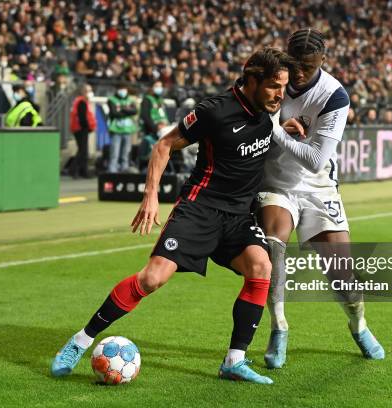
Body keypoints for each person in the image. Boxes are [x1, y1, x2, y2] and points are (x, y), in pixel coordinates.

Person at [51, 48, 298, 385]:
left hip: (239, 215)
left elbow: (259, 134)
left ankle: (234, 360)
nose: (280, 94)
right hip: (200, 209)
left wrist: (283, 127)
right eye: (273, 86)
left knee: (261, 268)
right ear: (251, 80)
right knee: (152, 279)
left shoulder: (268, 110)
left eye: (283, 87)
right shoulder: (215, 111)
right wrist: (150, 195)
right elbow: (164, 145)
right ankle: (79, 341)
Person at [258, 28, 385, 369]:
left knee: (342, 274)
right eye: (296, 64)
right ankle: (279, 328)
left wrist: (275, 131)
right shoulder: (272, 81)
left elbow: (315, 159)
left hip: (317, 186)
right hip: (275, 183)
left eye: (309, 67)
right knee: (274, 244)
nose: (300, 72)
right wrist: (272, 130)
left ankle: (358, 324)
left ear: (322, 62)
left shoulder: (334, 96)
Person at [138, 81, 169, 170]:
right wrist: (155, 128)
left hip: (163, 129)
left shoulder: (160, 100)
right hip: (152, 131)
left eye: (161, 86)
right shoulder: (147, 99)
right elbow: (145, 116)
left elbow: (164, 115)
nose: (159, 88)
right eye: (156, 86)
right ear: (151, 87)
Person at [107, 85, 137, 173]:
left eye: (124, 89)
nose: (123, 91)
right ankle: (112, 169)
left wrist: (122, 110)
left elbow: (135, 111)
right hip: (116, 129)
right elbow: (114, 113)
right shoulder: (112, 99)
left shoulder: (130, 100)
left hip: (127, 129)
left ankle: (124, 168)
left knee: (126, 152)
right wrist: (127, 111)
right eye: (121, 89)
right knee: (114, 152)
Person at [69, 84, 96, 179]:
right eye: (89, 90)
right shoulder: (82, 102)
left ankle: (81, 170)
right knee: (82, 151)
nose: (91, 93)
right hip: (81, 129)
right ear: (84, 92)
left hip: (79, 128)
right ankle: (75, 170)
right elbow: (82, 118)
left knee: (82, 150)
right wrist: (88, 127)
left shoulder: (81, 101)